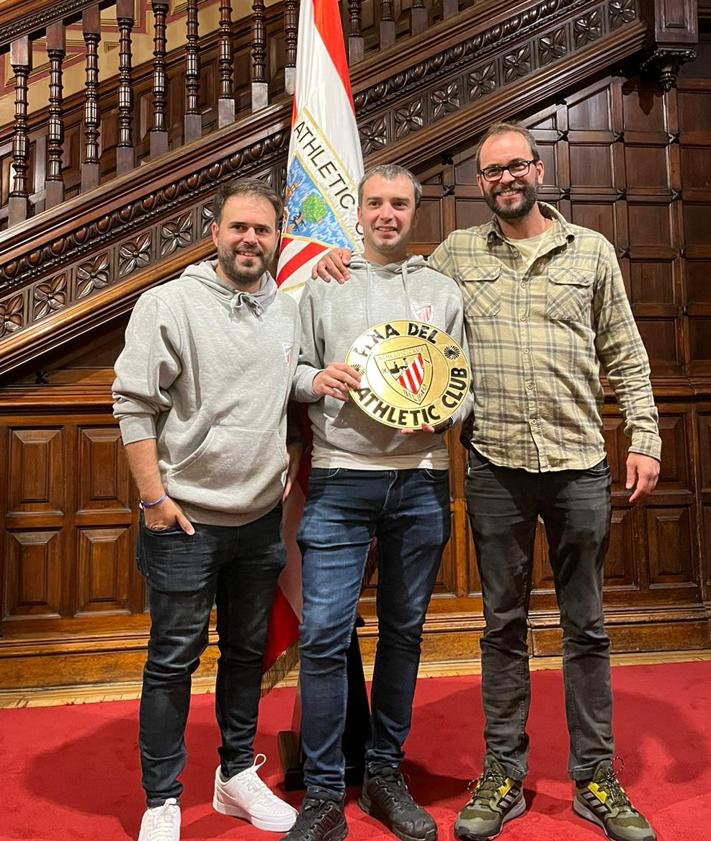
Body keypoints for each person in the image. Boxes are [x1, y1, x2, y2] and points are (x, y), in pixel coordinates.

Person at [311, 124, 661, 841]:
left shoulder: (589, 251)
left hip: (578, 464)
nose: (505, 179)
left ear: (537, 169)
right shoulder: (455, 257)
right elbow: (394, 291)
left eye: (515, 166)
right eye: (491, 171)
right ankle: (502, 770)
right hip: (496, 465)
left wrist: (646, 436)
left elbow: (624, 351)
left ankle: (595, 777)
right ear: (479, 184)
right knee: (501, 627)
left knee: (585, 627)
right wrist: (333, 263)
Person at [284, 164, 470, 841]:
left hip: (419, 480)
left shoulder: (440, 289)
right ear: (355, 212)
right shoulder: (323, 283)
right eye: (374, 203)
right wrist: (315, 378)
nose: (386, 213)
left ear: (413, 212)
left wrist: (445, 415)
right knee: (324, 634)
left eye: (398, 203)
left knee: (404, 632)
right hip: (339, 478)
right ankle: (326, 791)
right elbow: (292, 366)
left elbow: (464, 382)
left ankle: (384, 775)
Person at [113, 178, 301, 841]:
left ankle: (232, 777)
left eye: (262, 229)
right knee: (172, 659)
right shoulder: (168, 303)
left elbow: (290, 375)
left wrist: (321, 379)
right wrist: (153, 499)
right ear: (214, 233)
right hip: (184, 521)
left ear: (278, 239)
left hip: (257, 524)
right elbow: (133, 402)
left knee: (246, 654)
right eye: (238, 227)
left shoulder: (287, 308)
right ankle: (162, 796)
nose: (250, 239)